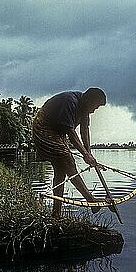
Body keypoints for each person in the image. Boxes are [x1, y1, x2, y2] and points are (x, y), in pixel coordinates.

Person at [32, 88, 107, 218]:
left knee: (61, 171)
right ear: (89, 100)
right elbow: (71, 133)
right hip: (44, 128)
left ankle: (56, 214)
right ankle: (91, 200)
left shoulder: (85, 108)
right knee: (68, 162)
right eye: (95, 106)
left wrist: (88, 153)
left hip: (58, 132)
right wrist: (85, 154)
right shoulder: (70, 101)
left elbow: (84, 130)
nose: (94, 110)